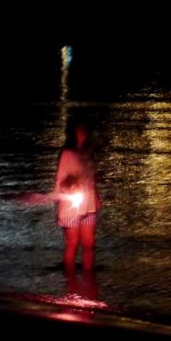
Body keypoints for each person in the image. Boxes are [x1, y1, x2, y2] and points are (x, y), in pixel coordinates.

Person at [55, 116, 101, 272]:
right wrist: (71, 185)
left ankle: (89, 279)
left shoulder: (87, 153)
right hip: (70, 207)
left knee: (89, 244)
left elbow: (91, 177)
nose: (83, 132)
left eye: (84, 129)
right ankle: (70, 280)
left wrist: (96, 196)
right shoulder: (67, 153)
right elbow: (60, 181)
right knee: (73, 243)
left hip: (88, 205)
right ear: (73, 132)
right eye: (79, 129)